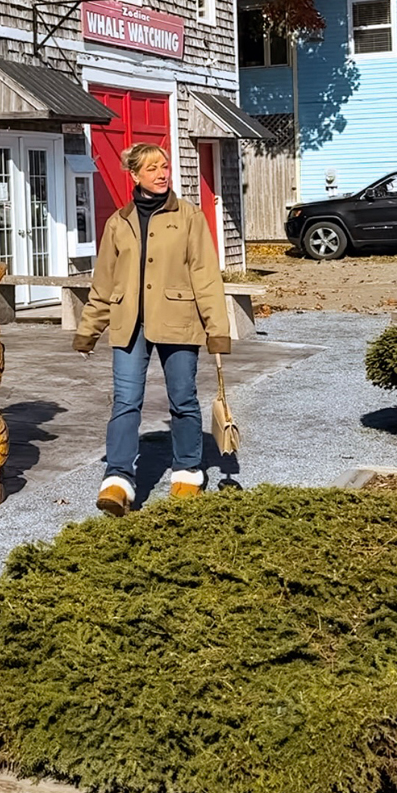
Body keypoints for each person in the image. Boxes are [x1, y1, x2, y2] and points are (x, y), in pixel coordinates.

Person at [72, 144, 230, 516]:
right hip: (129, 324)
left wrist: (216, 331)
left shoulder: (189, 216)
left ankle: (188, 472)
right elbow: (104, 282)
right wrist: (89, 329)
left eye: (165, 166)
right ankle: (118, 482)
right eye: (153, 168)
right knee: (125, 402)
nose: (163, 173)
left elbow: (205, 276)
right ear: (135, 175)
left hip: (178, 320)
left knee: (183, 399)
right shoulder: (118, 223)